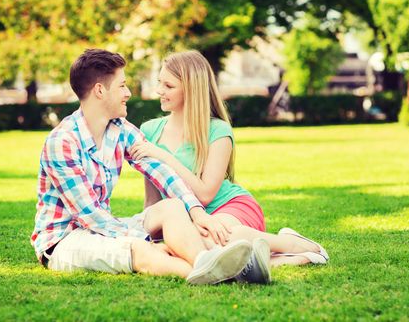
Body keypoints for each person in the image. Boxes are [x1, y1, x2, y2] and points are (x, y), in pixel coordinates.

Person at [30, 49, 255, 285]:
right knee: (139, 249)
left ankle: (206, 260)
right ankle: (220, 274)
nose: (128, 93)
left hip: (102, 227)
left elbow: (160, 171)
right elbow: (91, 217)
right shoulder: (62, 143)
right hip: (65, 240)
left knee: (172, 206)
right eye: (122, 86)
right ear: (99, 90)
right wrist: (145, 239)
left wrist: (198, 213)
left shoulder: (119, 129)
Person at [130, 50, 329, 283]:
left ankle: (293, 244)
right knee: (195, 250)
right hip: (191, 220)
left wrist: (163, 156)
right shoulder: (149, 131)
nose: (159, 91)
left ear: (191, 89)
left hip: (229, 207)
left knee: (219, 243)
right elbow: (153, 201)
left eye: (168, 86)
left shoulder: (218, 131)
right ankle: (285, 259)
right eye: (159, 83)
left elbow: (204, 194)